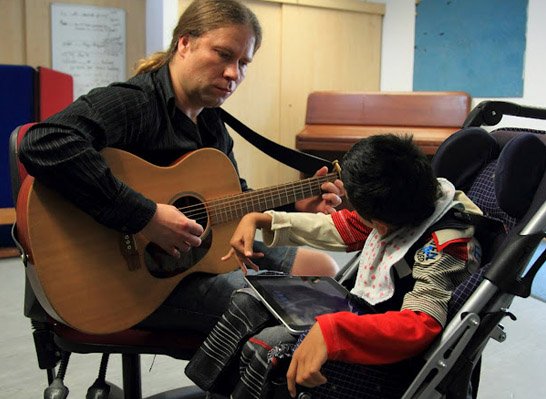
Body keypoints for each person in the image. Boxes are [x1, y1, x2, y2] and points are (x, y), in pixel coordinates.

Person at [17, 0, 343, 335]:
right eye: (223, 54)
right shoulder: (134, 103)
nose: (234, 73)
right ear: (184, 43)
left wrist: (293, 204)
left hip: (190, 260)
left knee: (321, 271)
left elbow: (229, 200)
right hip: (126, 281)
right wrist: (145, 216)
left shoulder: (212, 122)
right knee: (285, 307)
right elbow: (44, 142)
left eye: (243, 63)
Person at [184, 134, 483, 399]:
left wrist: (335, 331)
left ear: (380, 224)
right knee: (249, 300)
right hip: (362, 310)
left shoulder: (445, 247)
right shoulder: (410, 198)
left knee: (270, 347)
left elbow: (421, 324)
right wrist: (264, 219)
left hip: (383, 345)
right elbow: (347, 227)